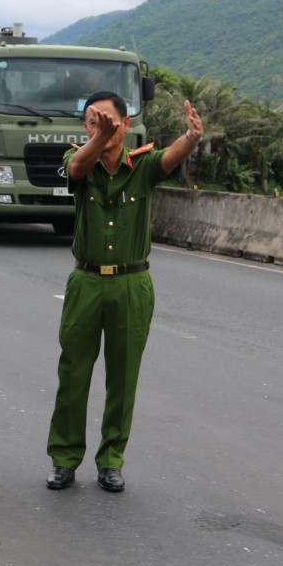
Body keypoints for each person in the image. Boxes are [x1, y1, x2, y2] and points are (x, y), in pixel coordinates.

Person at [45, 92, 203, 493]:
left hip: (132, 283)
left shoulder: (143, 166)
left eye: (110, 121)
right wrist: (99, 139)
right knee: (73, 373)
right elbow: (78, 168)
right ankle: (63, 459)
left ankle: (111, 459)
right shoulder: (76, 159)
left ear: (127, 124)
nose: (102, 127)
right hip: (86, 281)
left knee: (123, 376)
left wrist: (192, 135)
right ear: (86, 128)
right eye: (93, 122)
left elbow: (171, 155)